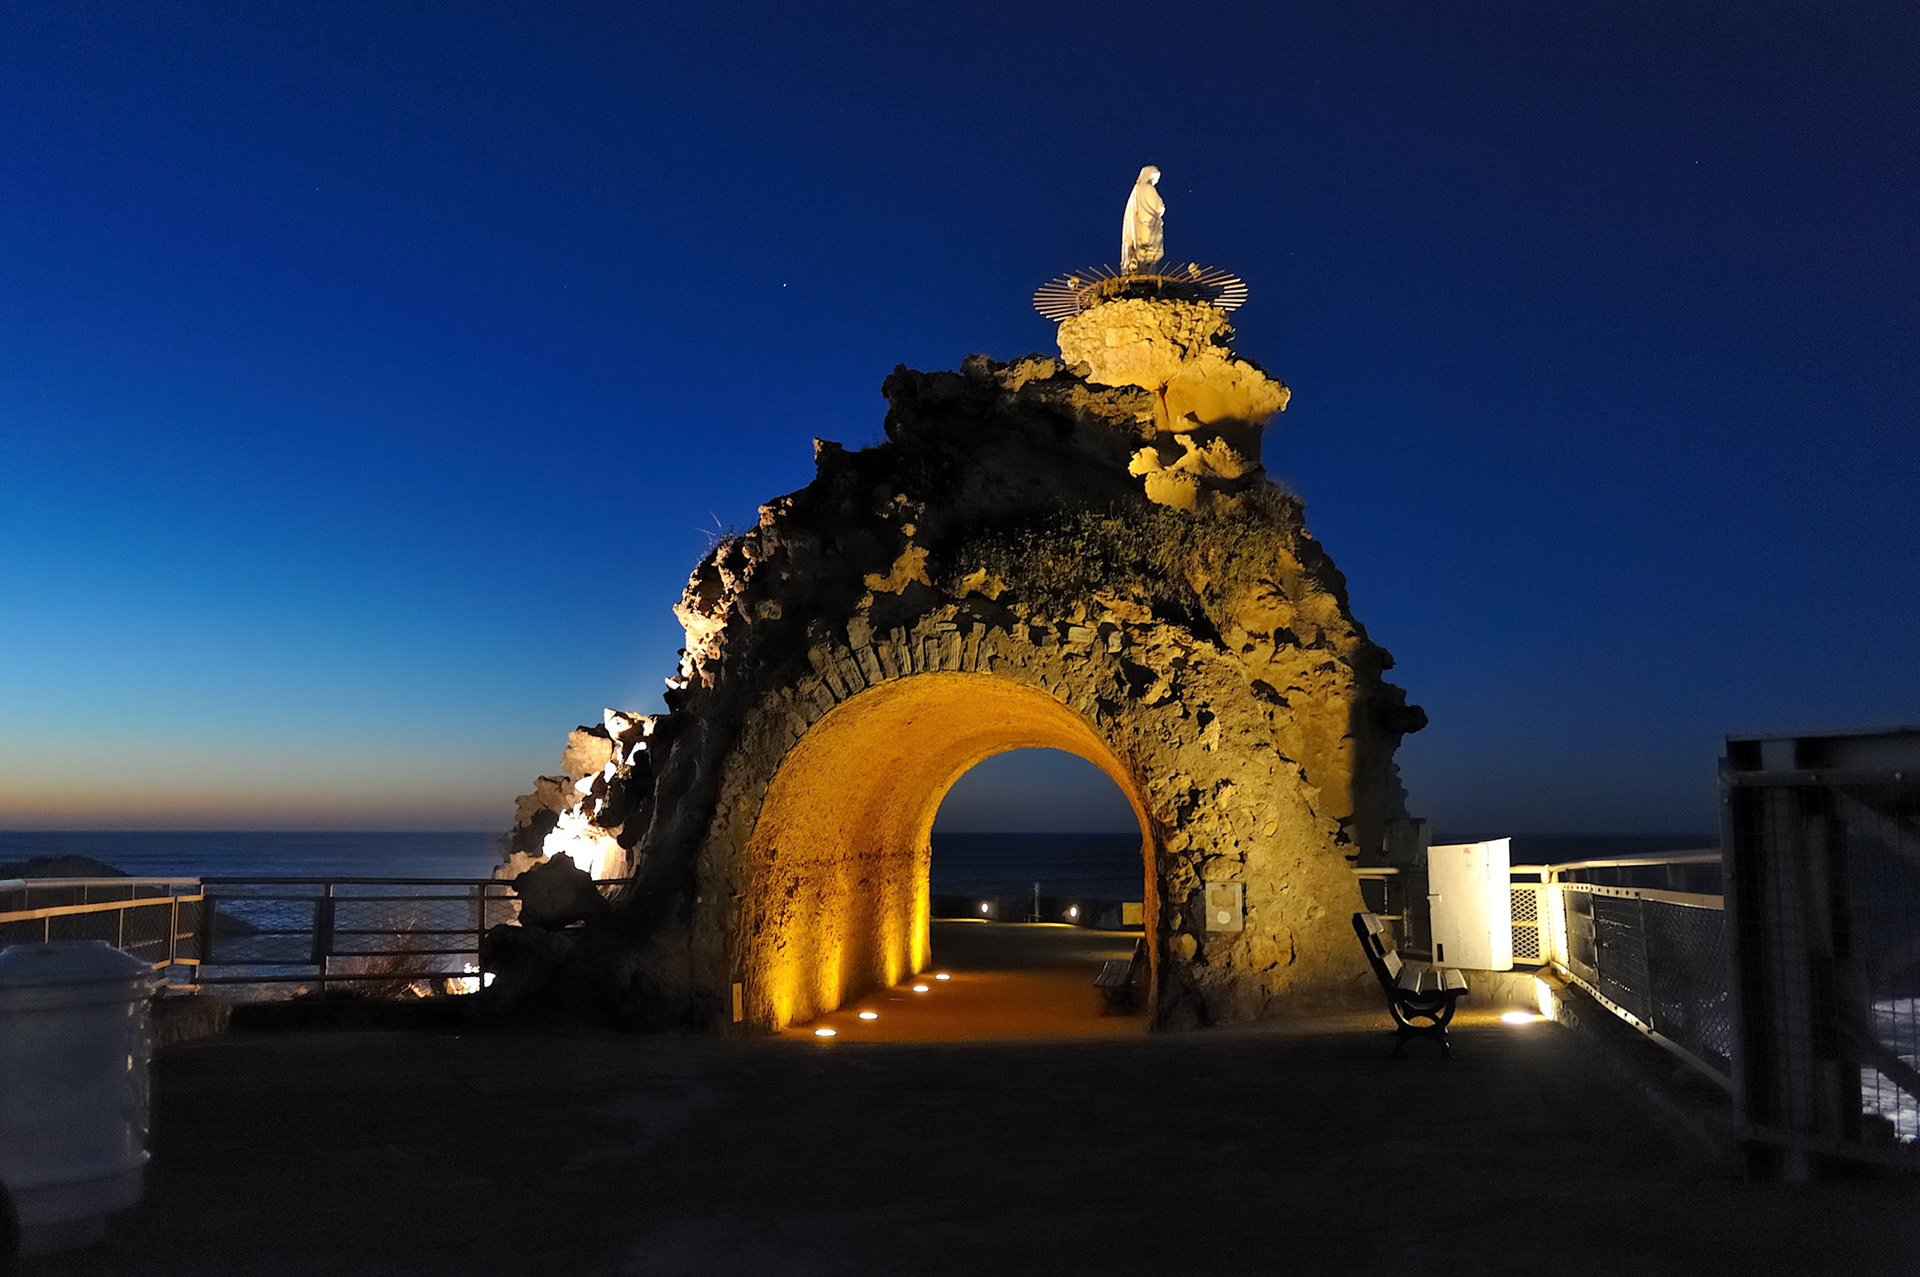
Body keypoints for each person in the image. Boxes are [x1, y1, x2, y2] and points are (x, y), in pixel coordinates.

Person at [1121, 165, 1164, 272]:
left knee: (1141, 244)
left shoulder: (1136, 190)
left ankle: (1136, 264)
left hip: (1139, 224)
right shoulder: (1149, 189)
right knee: (1149, 247)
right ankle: (1146, 269)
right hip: (1148, 222)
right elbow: (1158, 206)